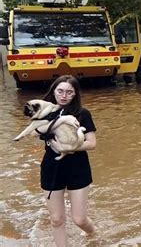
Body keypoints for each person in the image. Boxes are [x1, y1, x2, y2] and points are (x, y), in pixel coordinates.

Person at [37, 75, 96, 245]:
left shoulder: (82, 114)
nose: (64, 95)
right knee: (56, 219)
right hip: (51, 167)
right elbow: (34, 132)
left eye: (69, 92)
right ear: (53, 91)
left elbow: (92, 143)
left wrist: (69, 148)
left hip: (78, 167)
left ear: (75, 94)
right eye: (60, 91)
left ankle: (93, 235)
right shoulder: (44, 112)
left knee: (79, 219)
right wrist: (56, 121)